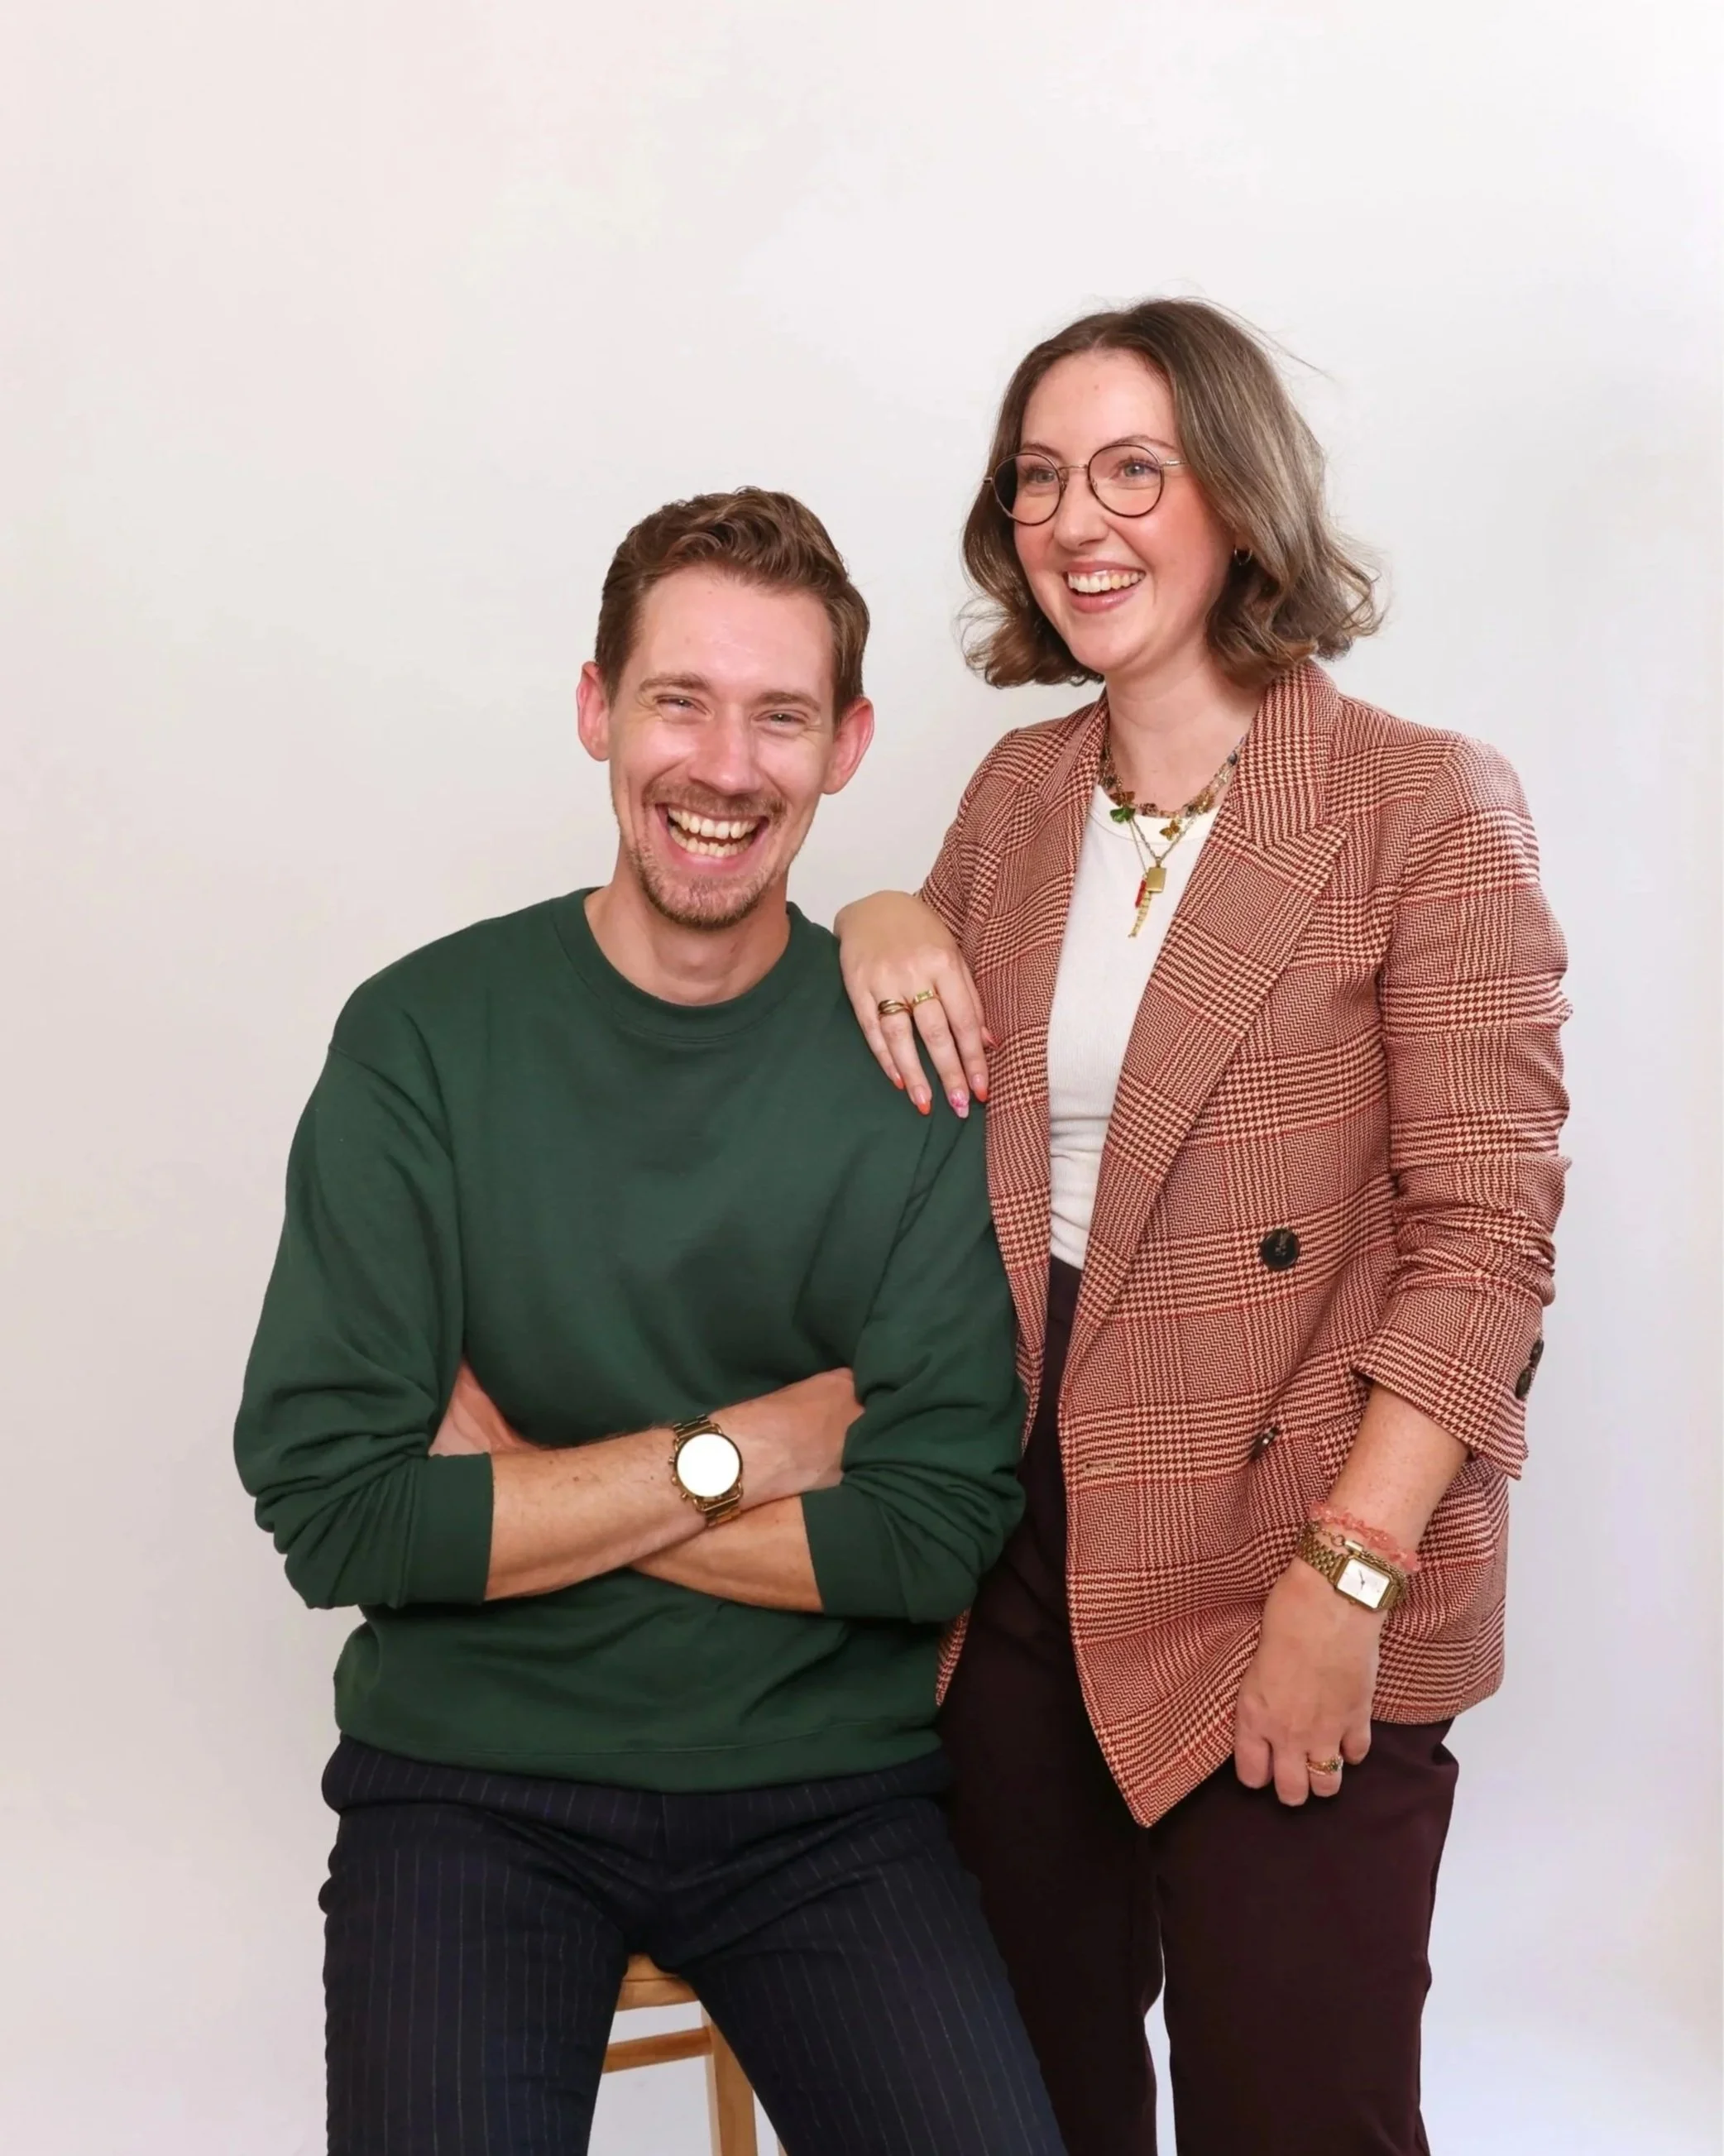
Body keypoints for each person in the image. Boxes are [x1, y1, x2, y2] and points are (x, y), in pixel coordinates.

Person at [233, 488, 1066, 2156]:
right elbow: (339, 1511)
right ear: (598, 707)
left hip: (823, 1799)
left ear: (847, 745)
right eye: (680, 700)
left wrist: (527, 1489)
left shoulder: (913, 1074)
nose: (725, 763)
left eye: (780, 714)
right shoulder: (419, 1042)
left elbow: (926, 1534)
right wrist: (737, 1454)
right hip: (467, 1788)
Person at [836, 299, 1570, 2156]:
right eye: (1037, 481)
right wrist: (869, 916)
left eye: (1131, 472)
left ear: (1236, 499)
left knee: (1296, 2114)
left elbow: (1484, 1240)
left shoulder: (1421, 802)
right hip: (1021, 1547)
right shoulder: (1013, 802)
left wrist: (1349, 1576)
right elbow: (926, 1093)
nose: (1076, 521)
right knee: (1023, 2103)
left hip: (1298, 1536)